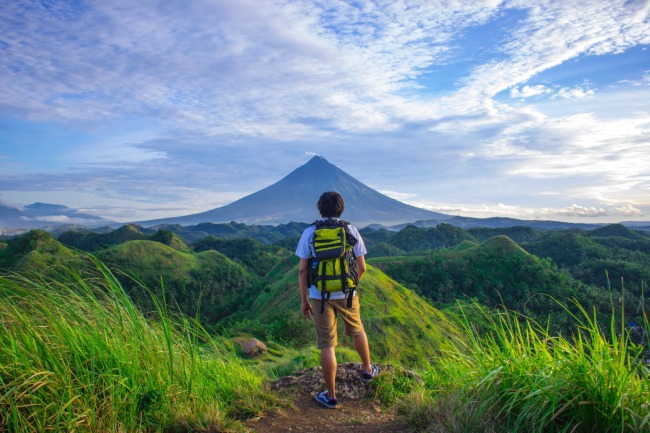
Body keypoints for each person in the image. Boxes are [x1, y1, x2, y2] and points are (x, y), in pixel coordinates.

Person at [295, 191, 378, 409]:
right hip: (347, 293)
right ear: (341, 208)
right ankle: (367, 370)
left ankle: (331, 396)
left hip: (319, 295)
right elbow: (362, 267)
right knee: (357, 330)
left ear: (319, 208)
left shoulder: (310, 232)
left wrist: (304, 299)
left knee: (327, 344)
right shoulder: (350, 230)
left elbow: (303, 270)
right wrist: (350, 286)